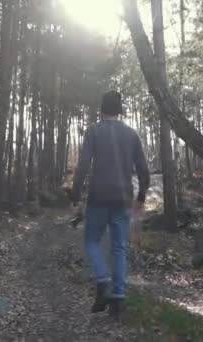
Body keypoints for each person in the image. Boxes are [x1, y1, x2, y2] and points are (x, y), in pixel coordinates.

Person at [71, 90, 150, 318]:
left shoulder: (94, 132)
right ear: (120, 110)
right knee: (119, 248)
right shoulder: (132, 134)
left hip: (98, 197)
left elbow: (84, 165)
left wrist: (76, 194)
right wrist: (142, 196)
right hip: (123, 198)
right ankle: (118, 298)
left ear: (101, 109)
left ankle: (103, 281)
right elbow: (143, 169)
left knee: (91, 241)